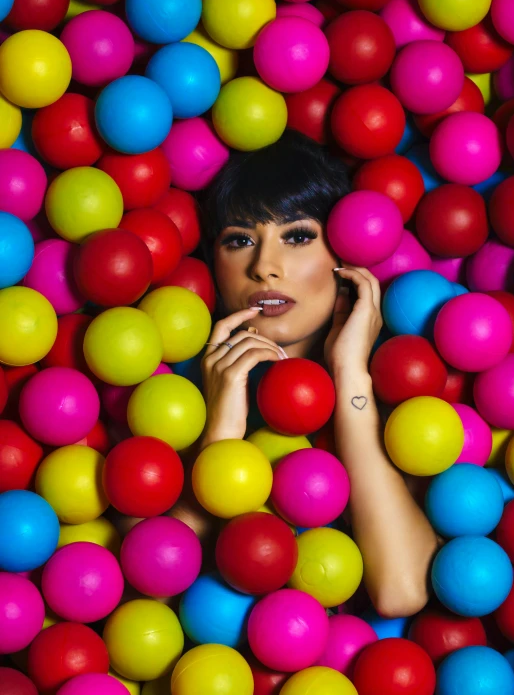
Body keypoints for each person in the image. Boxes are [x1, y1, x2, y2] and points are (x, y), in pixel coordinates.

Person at [168, 130, 439, 618]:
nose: (264, 267)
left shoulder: (407, 397)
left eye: (296, 236)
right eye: (240, 240)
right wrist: (220, 432)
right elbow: (163, 594)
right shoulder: (172, 397)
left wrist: (351, 379)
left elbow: (401, 590)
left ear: (343, 257)